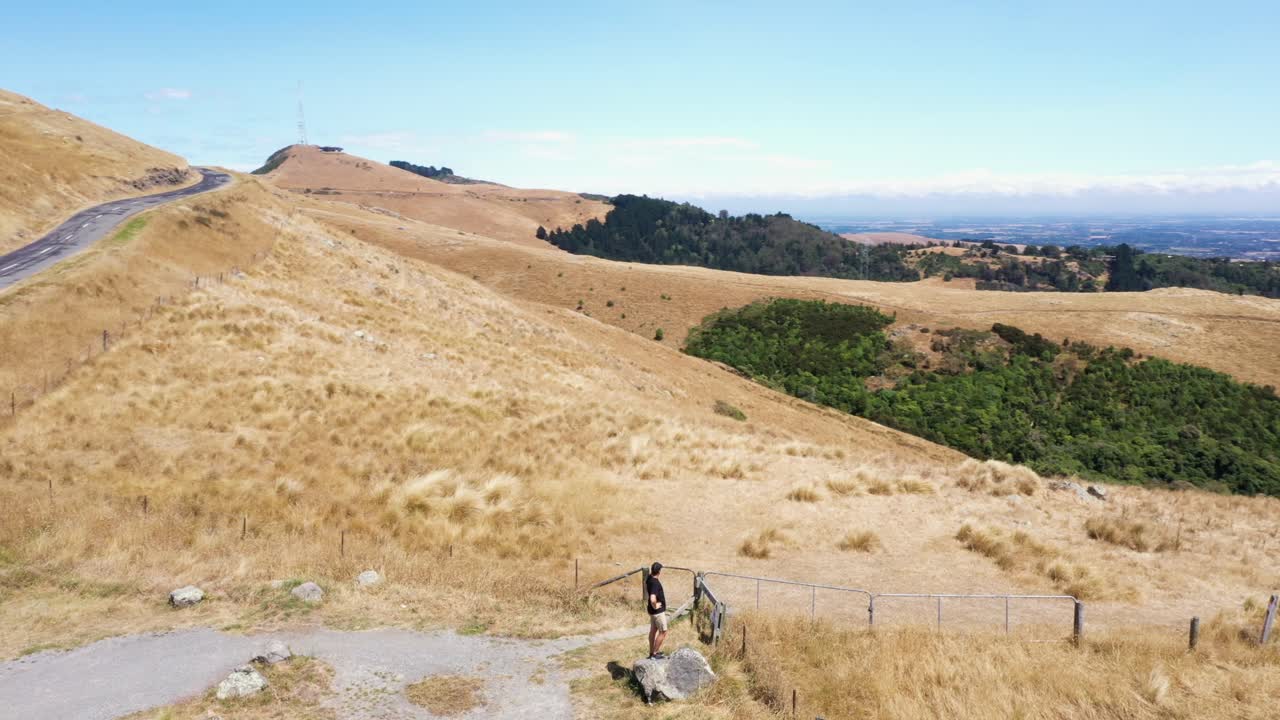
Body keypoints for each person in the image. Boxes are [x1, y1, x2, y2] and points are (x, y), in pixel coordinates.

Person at [646, 561, 668, 659]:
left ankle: (651, 652)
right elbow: (652, 598)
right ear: (659, 571)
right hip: (657, 612)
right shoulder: (655, 583)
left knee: (653, 631)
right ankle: (654, 654)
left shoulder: (649, 579)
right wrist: (656, 605)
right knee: (663, 632)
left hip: (651, 611)